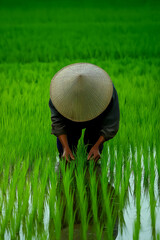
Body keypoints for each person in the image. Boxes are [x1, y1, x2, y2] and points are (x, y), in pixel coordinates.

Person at [49, 63, 120, 163]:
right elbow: (58, 124)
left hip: (96, 118)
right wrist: (65, 148)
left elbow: (111, 125)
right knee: (66, 155)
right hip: (70, 118)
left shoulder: (107, 93)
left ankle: (91, 172)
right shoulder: (59, 95)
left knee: (92, 155)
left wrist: (97, 146)